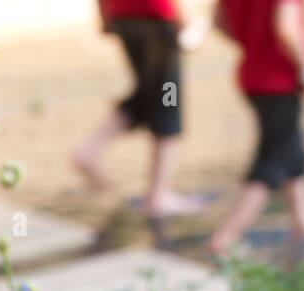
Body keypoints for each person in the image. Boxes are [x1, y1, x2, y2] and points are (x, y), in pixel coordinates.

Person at [72, 0, 208, 217]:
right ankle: (159, 195)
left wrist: (105, 13)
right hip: (157, 14)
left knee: (147, 92)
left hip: (122, 14)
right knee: (168, 96)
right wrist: (186, 19)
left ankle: (89, 150)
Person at [208, 0, 304, 257]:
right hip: (279, 79)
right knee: (273, 159)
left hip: (252, 75)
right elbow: (286, 27)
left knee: (291, 148)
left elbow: (218, 22)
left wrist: (252, 42)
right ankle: (226, 237)